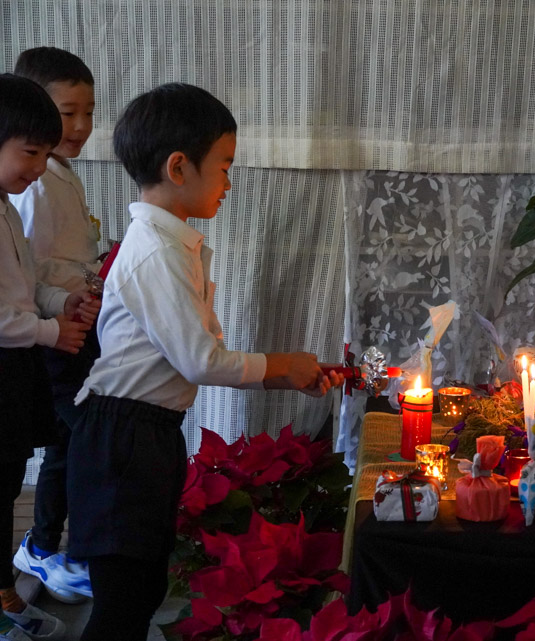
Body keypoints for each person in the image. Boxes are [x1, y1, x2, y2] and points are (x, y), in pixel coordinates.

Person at [65, 83, 345, 641]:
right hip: (120, 439)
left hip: (146, 432)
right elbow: (199, 359)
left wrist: (283, 370)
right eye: (223, 165)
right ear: (178, 167)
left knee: (143, 588)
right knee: (123, 598)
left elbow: (195, 350)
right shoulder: (153, 251)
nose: (229, 182)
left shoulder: (172, 245)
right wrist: (281, 367)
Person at [0, 73, 98, 641]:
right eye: (30, 152)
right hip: (9, 359)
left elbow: (25, 285)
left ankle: (6, 588)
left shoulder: (9, 209)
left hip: (17, 367)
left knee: (9, 480)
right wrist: (47, 330)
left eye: (44, 153)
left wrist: (63, 301)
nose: (38, 167)